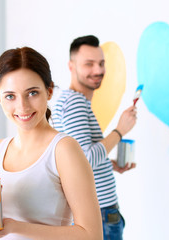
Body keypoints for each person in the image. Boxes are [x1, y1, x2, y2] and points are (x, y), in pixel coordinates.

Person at [0, 47, 103, 240]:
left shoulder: (63, 149)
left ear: (49, 91)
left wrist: (15, 227)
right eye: (10, 96)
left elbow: (91, 234)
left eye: (32, 93)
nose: (22, 106)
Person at [52, 35, 137, 240]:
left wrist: (109, 164)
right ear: (71, 66)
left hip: (98, 212)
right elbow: (85, 159)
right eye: (89, 64)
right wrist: (119, 131)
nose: (98, 70)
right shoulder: (75, 103)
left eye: (101, 63)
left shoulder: (68, 101)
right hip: (100, 213)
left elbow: (77, 158)